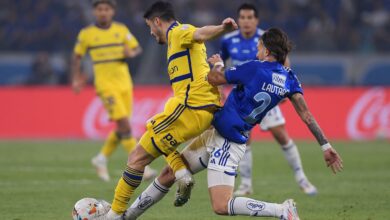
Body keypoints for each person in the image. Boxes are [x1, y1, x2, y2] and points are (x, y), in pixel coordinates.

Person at [124, 28, 343, 220]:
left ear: (267, 51)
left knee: (221, 205)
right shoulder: (290, 79)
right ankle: (127, 217)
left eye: (259, 47)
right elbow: (306, 115)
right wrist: (325, 146)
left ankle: (280, 210)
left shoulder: (255, 67)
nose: (257, 51)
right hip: (215, 133)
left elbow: (214, 79)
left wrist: (218, 63)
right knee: (169, 173)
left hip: (228, 142)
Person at [105, 1, 239, 219]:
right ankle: (181, 172)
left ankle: (113, 215)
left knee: (139, 154)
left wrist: (222, 28)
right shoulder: (177, 45)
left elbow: (200, 33)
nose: (150, 32)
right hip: (199, 110)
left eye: (150, 26)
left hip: (191, 108)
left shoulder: (178, 32)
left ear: (157, 21)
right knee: (151, 138)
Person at [220, 3, 317, 196]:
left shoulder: (266, 39)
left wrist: (280, 93)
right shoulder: (228, 40)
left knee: (282, 136)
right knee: (244, 139)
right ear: (238, 20)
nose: (246, 21)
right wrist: (221, 91)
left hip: (267, 95)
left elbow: (285, 65)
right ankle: (246, 185)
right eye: (243, 18)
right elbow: (222, 65)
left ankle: (302, 178)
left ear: (256, 20)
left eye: (250, 18)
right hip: (243, 99)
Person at [71, 0, 156, 182]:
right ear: (95, 12)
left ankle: (101, 159)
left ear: (112, 12)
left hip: (124, 83)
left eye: (107, 9)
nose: (103, 12)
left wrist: (129, 53)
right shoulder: (87, 34)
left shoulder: (121, 29)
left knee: (122, 126)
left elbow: (136, 48)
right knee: (125, 125)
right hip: (105, 85)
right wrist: (76, 78)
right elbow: (77, 57)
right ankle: (141, 165)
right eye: (100, 9)